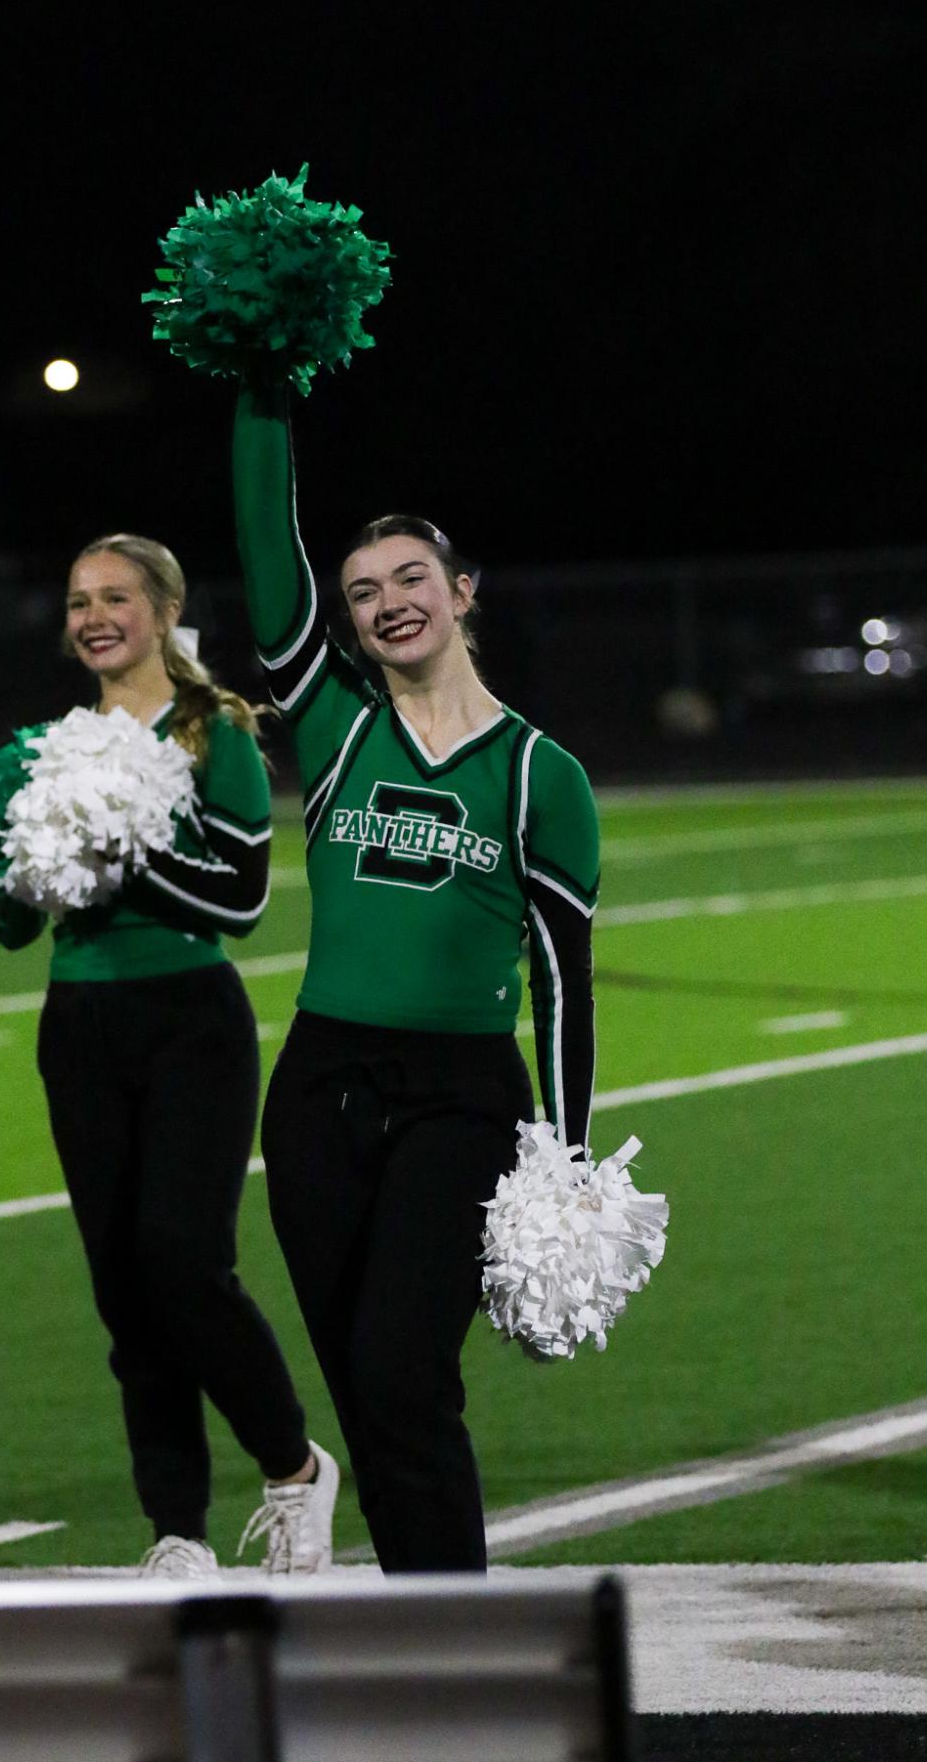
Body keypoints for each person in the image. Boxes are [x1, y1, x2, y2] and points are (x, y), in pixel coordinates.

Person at [231, 379, 600, 1573]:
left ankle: (458, 1633)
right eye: (361, 592)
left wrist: (567, 1151)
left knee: (402, 1370)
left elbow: (560, 977)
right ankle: (412, 1630)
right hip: (319, 1089)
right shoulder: (338, 727)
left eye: (408, 579)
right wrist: (262, 387)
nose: (387, 603)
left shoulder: (542, 773)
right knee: (359, 1387)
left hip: (460, 1099)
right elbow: (266, 549)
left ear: (459, 592)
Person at [0, 532, 338, 1576]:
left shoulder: (212, 729)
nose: (94, 616)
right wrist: (9, 866)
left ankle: (293, 1467)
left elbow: (240, 900)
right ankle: (176, 1531)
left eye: (116, 598)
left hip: (189, 1018)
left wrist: (121, 856)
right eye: (78, 598)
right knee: (122, 1291)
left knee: (183, 1263)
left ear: (163, 610)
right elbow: (15, 926)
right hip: (80, 1023)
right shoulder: (51, 746)